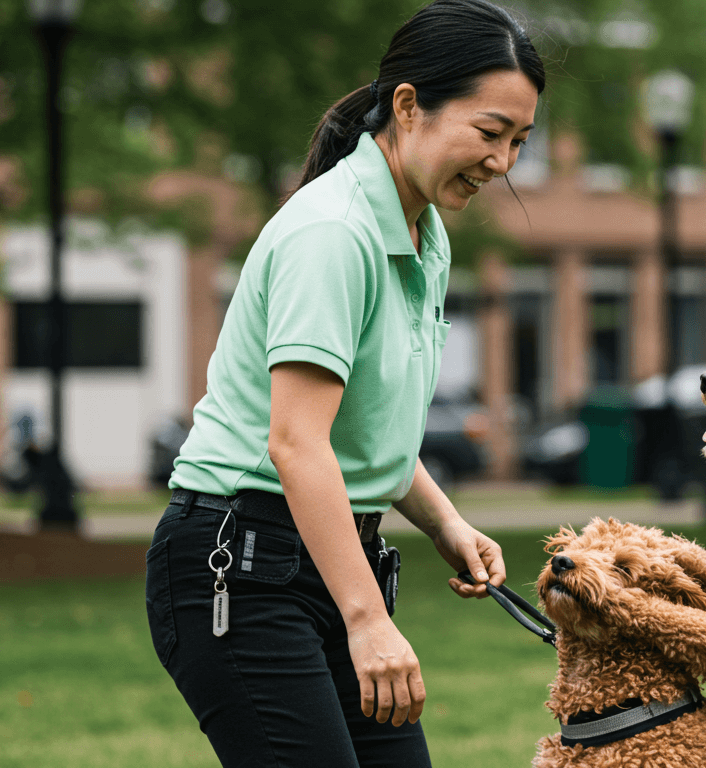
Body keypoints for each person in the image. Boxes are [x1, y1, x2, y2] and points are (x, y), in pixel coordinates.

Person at [143, 2, 544, 765]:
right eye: (490, 133)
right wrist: (368, 621)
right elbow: (296, 445)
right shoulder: (334, 232)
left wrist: (445, 524)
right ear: (407, 106)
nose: (504, 163)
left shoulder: (424, 235)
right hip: (240, 568)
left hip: (326, 561)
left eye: (520, 141)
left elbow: (365, 430)